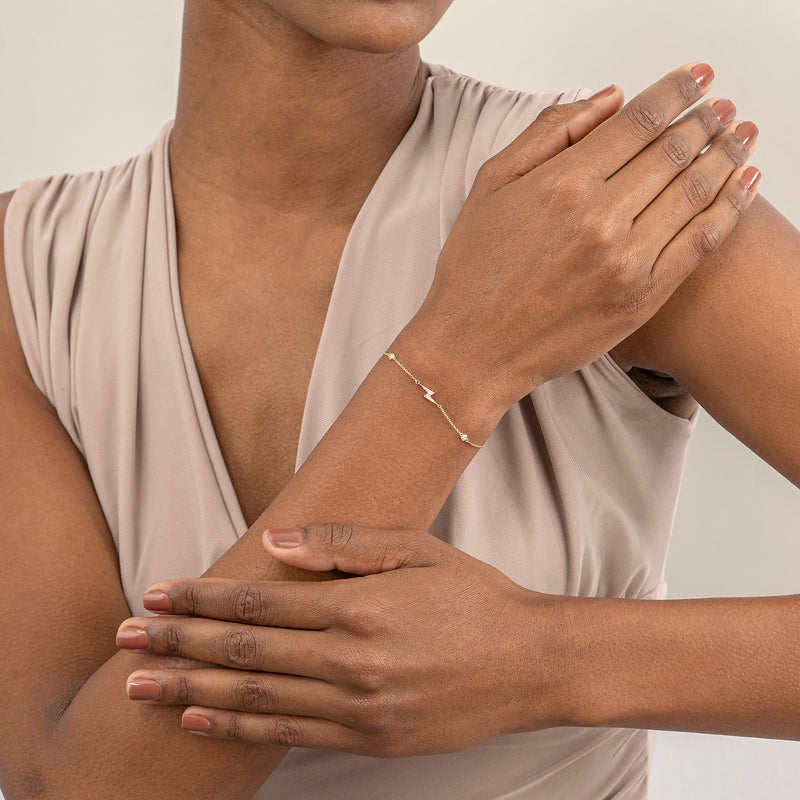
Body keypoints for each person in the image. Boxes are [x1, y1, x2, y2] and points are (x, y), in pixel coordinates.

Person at [1, 1, 799, 799]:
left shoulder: (610, 214)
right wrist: (467, 352)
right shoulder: (27, 276)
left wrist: (545, 659)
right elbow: (72, 785)